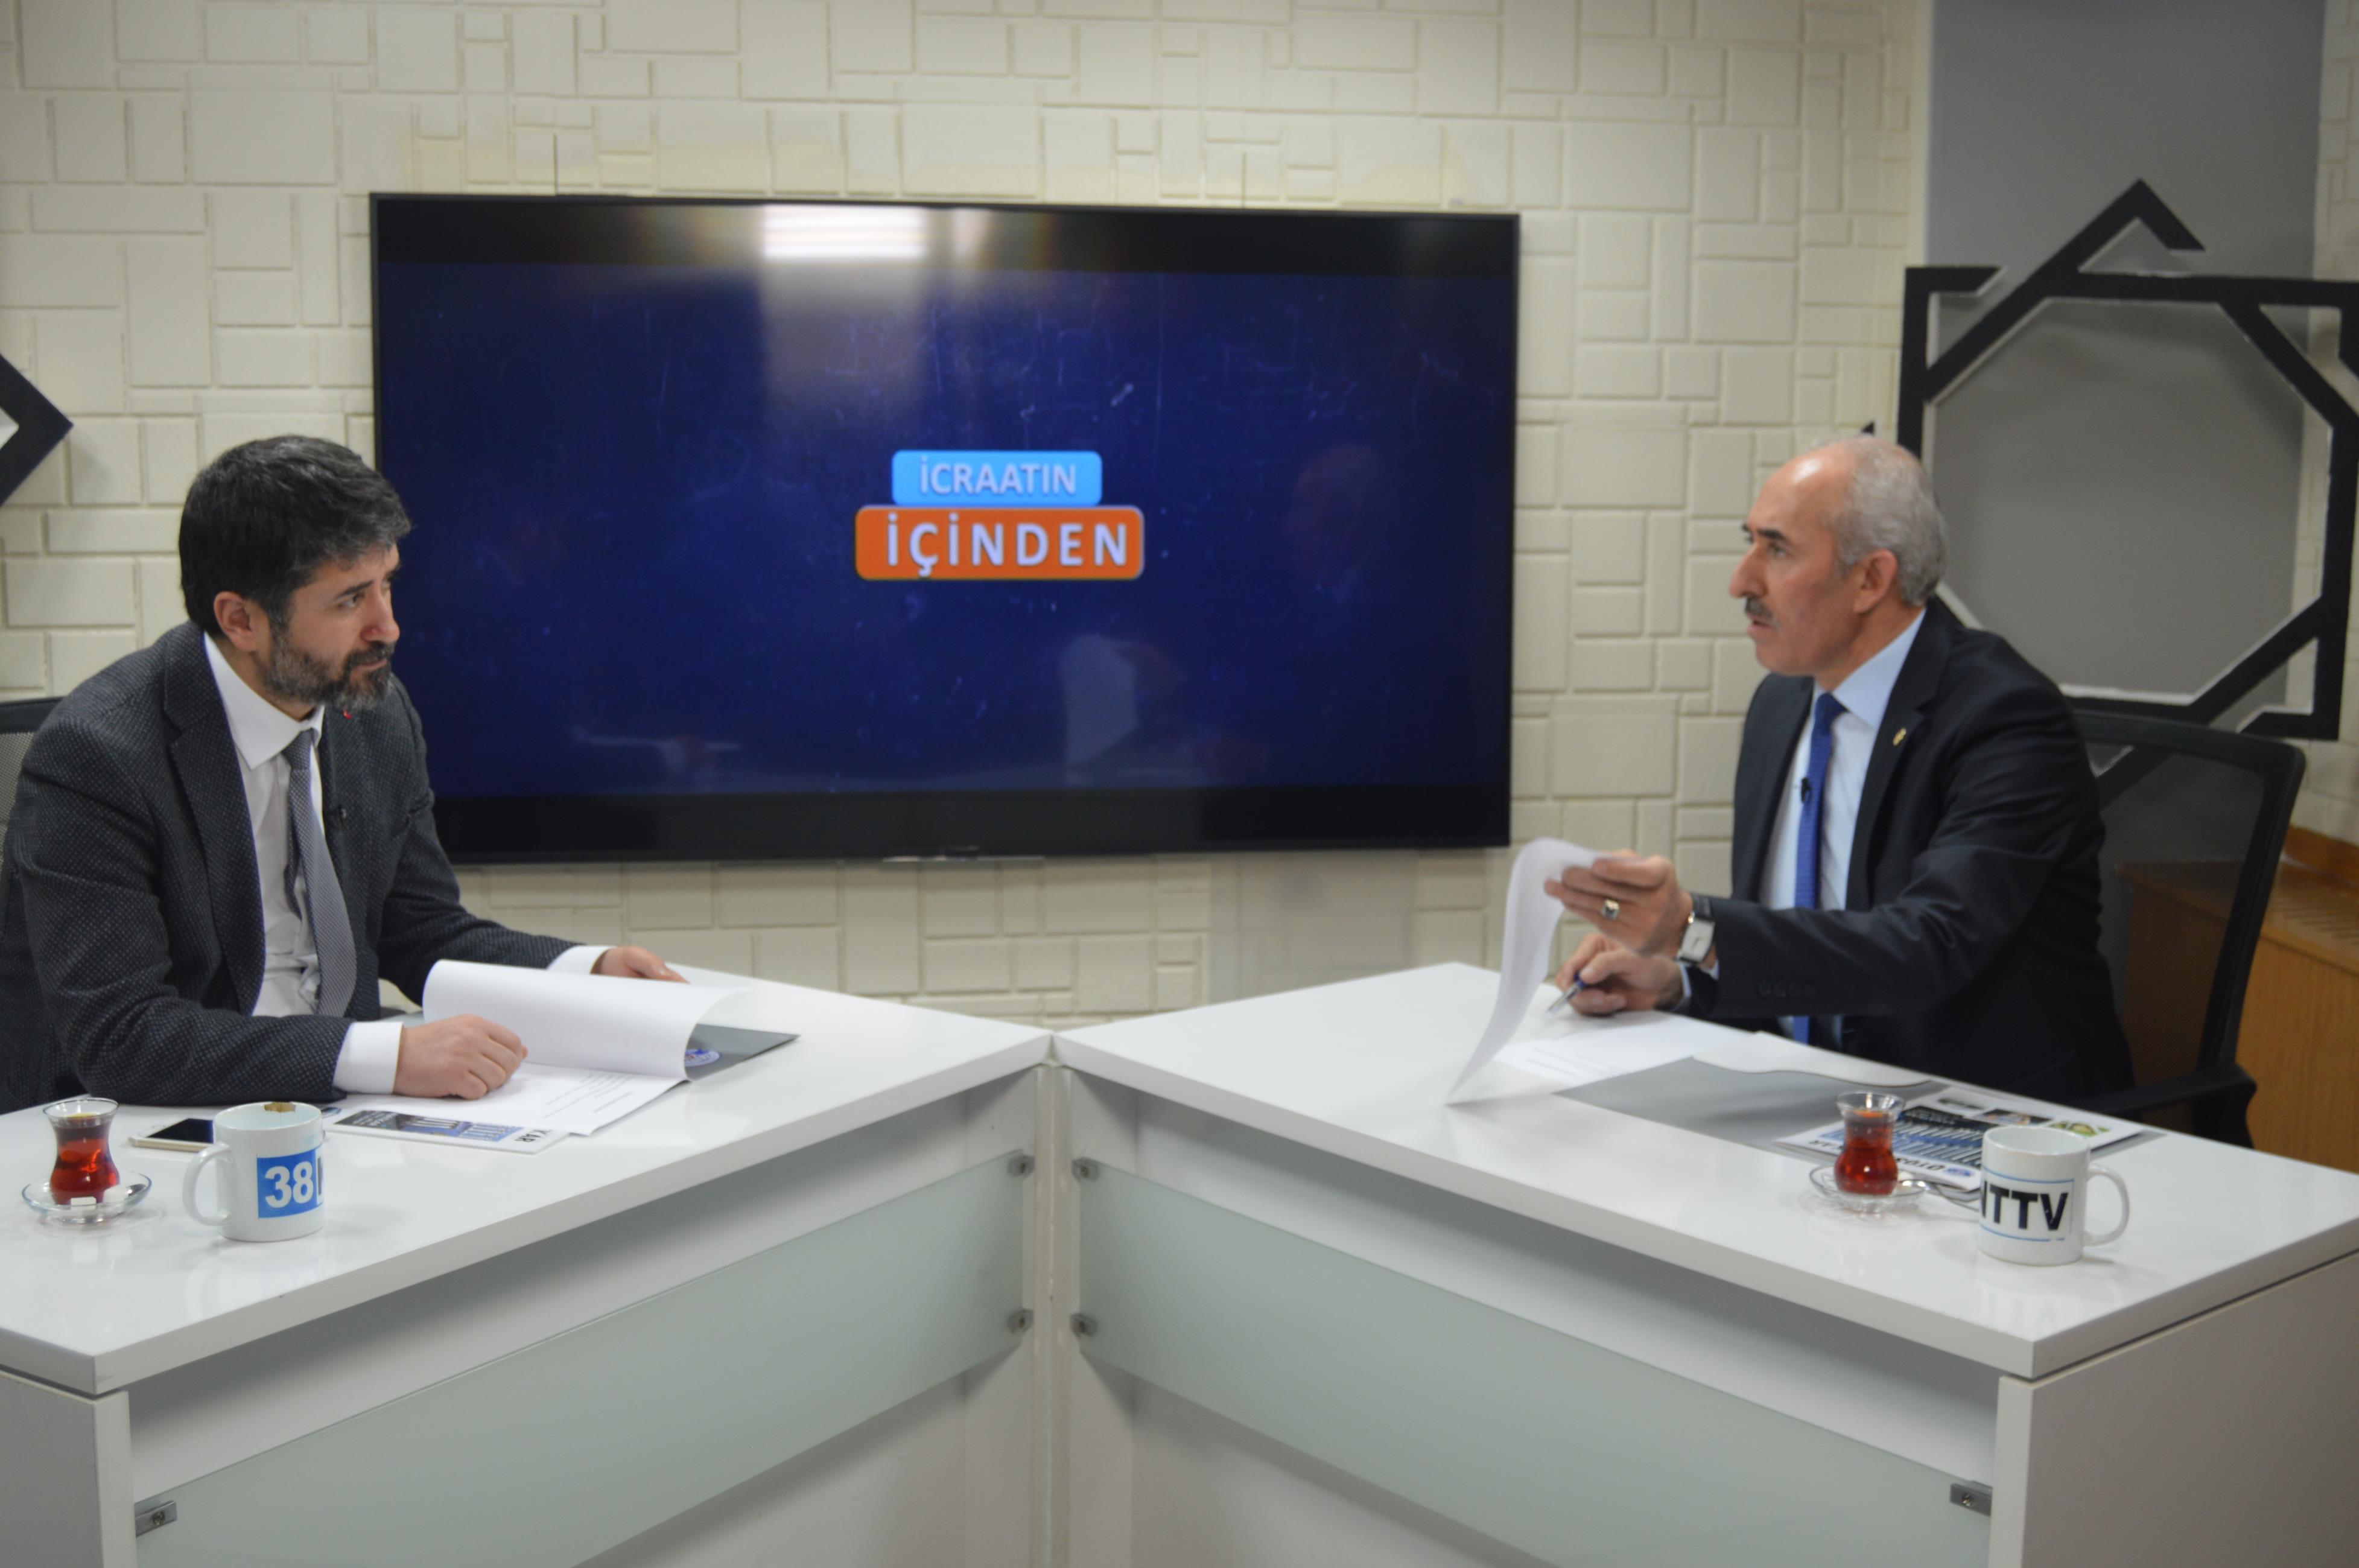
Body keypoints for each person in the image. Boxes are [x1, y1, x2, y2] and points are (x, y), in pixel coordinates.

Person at [0, 436, 682, 1115]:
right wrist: (386, 1057)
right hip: (159, 1124)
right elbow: (123, 1035)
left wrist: (584, 973)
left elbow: (421, 931)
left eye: (387, 583)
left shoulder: (372, 711)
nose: (389, 626)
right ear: (241, 619)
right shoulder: (97, 755)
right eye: (351, 599)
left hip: (344, 1107)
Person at [1545, 435, 2132, 1100]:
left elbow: (1926, 946)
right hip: (1812, 1098)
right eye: (1750, 542)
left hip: (1983, 1116)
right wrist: (1681, 977)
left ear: (1870, 580)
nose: (1741, 582)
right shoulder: (1781, 702)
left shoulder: (2007, 719)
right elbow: (1802, 945)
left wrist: (1689, 928)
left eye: (1777, 550)